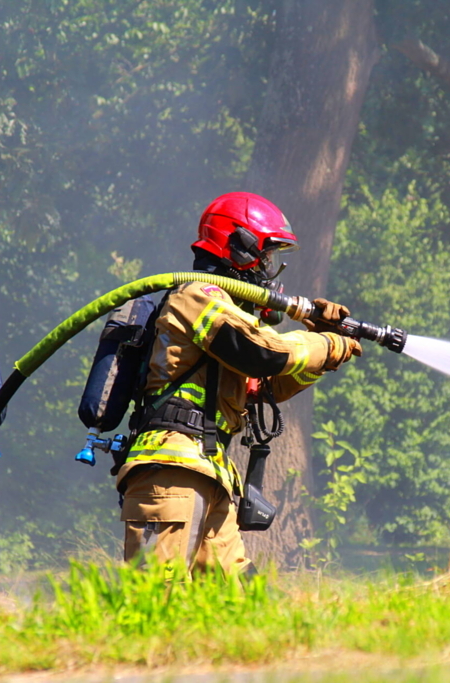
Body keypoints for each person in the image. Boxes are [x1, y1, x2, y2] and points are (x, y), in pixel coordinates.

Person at [114, 191, 361, 575]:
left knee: (236, 604)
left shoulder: (230, 311)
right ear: (240, 249)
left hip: (210, 475)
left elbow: (266, 384)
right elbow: (263, 353)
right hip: (172, 472)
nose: (269, 268)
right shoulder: (197, 296)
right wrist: (326, 344)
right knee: (153, 604)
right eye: (266, 256)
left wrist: (324, 357)